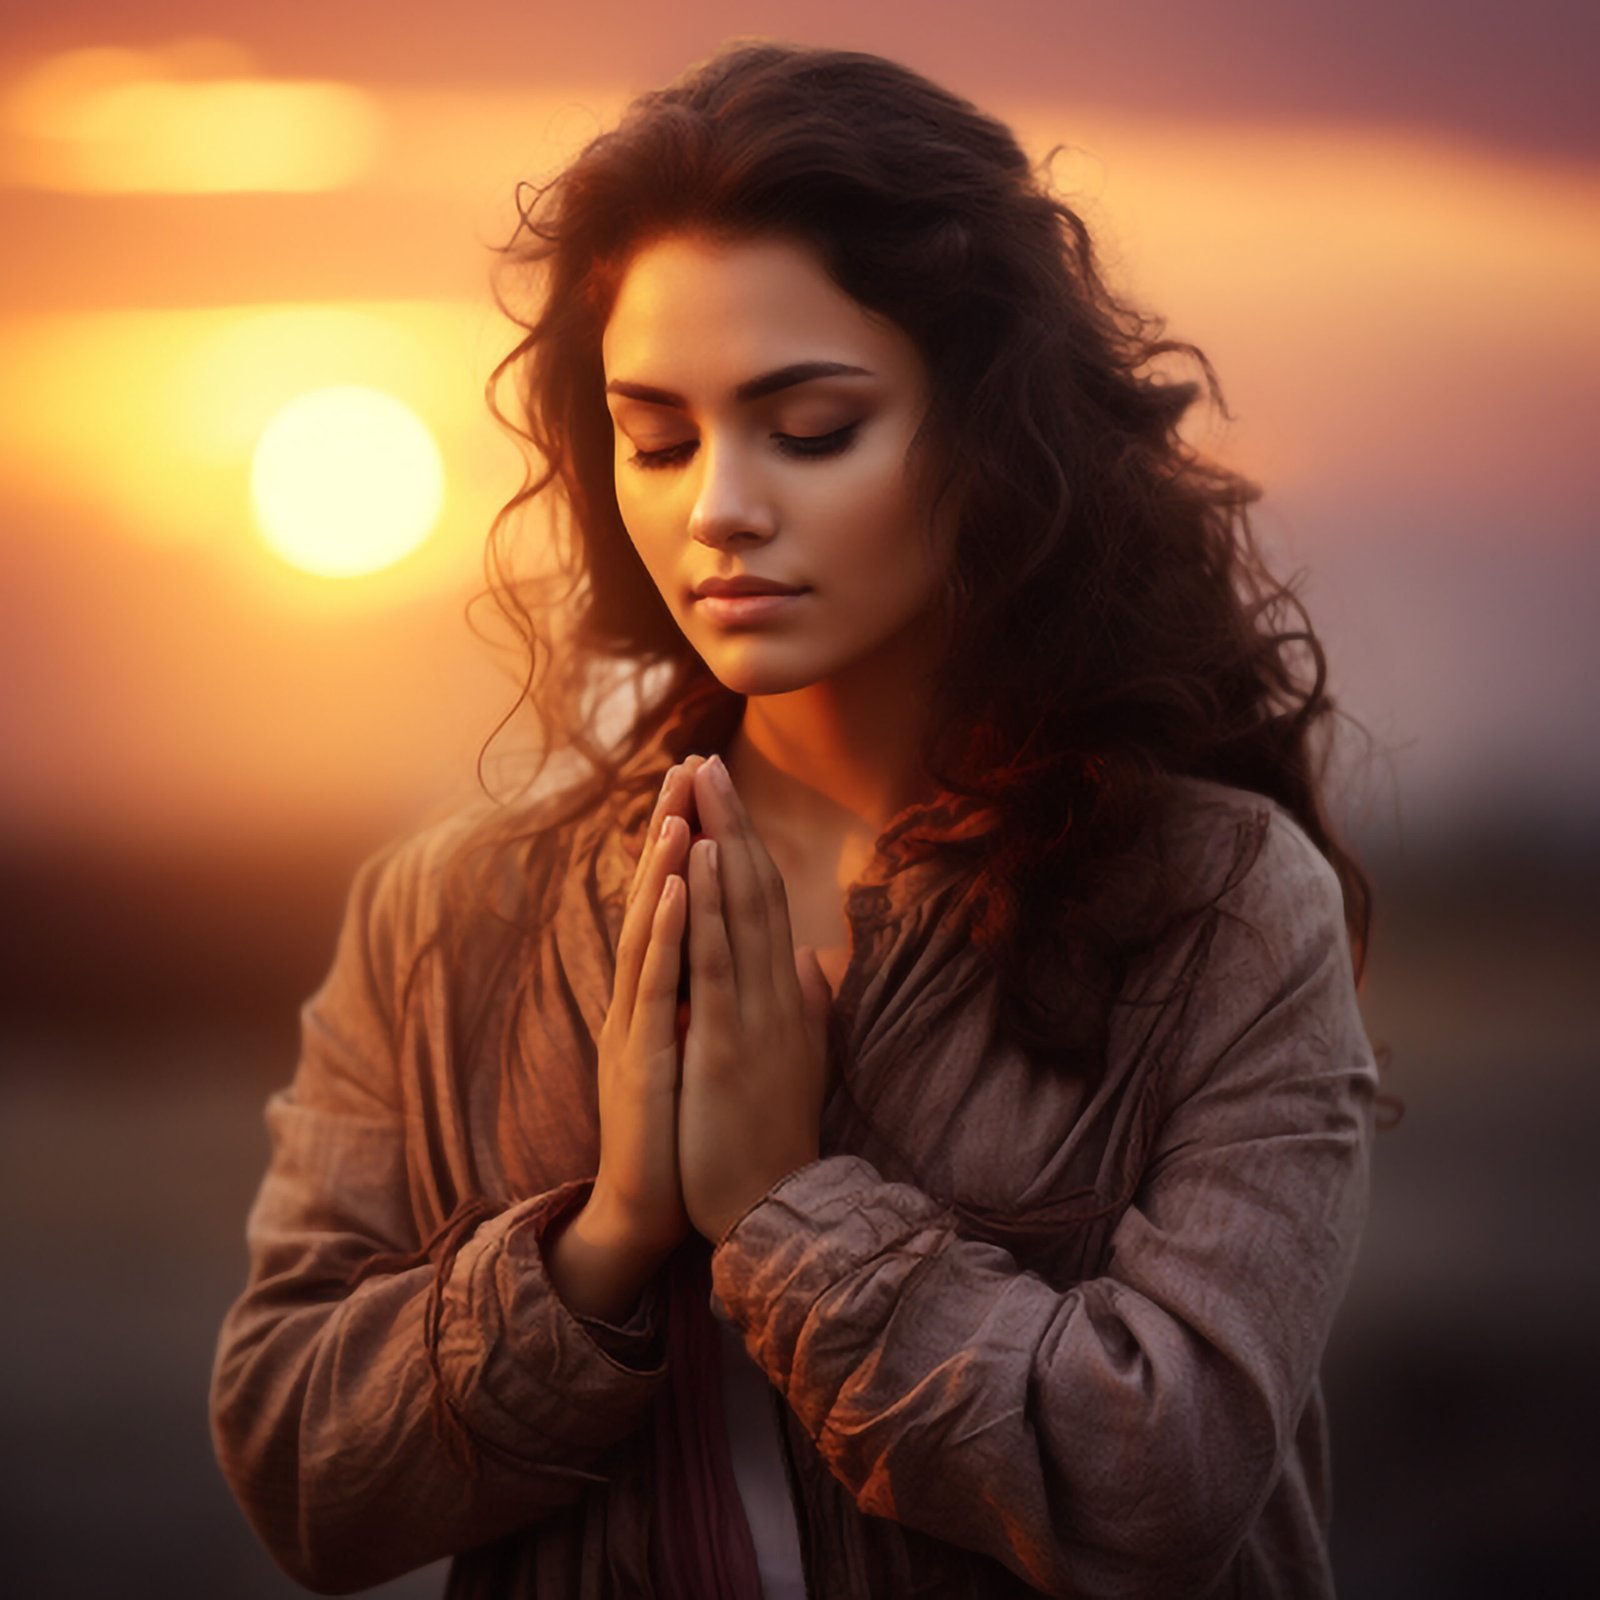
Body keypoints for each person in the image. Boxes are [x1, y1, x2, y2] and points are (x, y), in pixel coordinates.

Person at [209, 38, 1392, 1600]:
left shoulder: (1220, 906)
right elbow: (302, 1475)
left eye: (812, 427)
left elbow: (1161, 1485)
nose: (718, 509)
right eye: (659, 437)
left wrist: (783, 1210)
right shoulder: (453, 921)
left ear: (990, 434)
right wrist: (608, 1239)